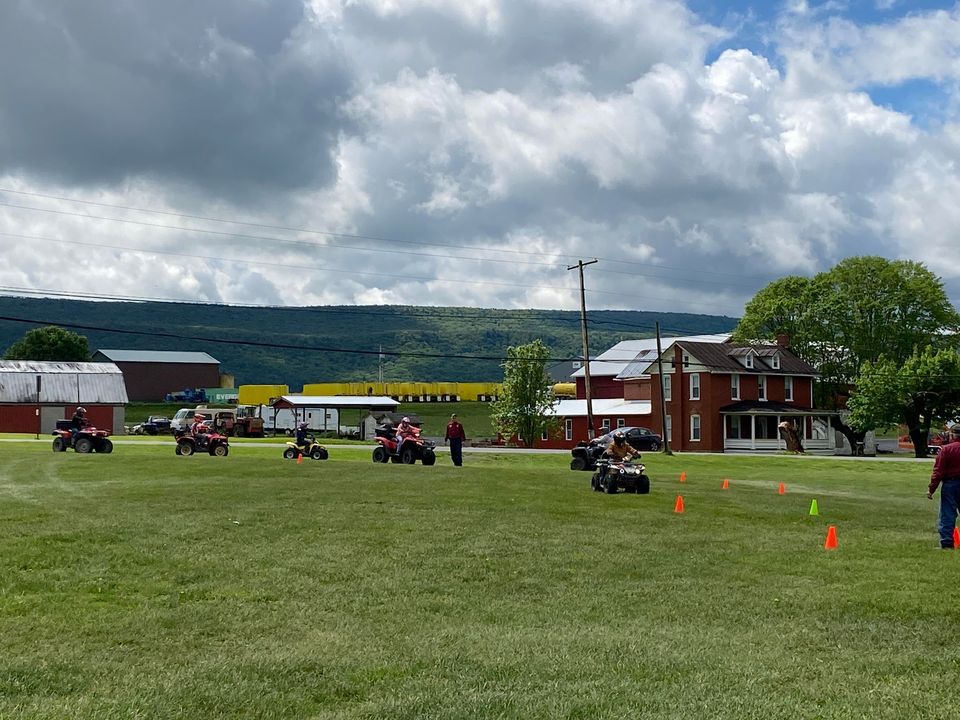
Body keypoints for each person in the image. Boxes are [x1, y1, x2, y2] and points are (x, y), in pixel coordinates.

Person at [927, 424, 960, 548]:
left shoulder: (946, 449)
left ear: (952, 434)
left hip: (951, 484)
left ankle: (946, 543)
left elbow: (938, 471)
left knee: (947, 514)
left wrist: (931, 489)